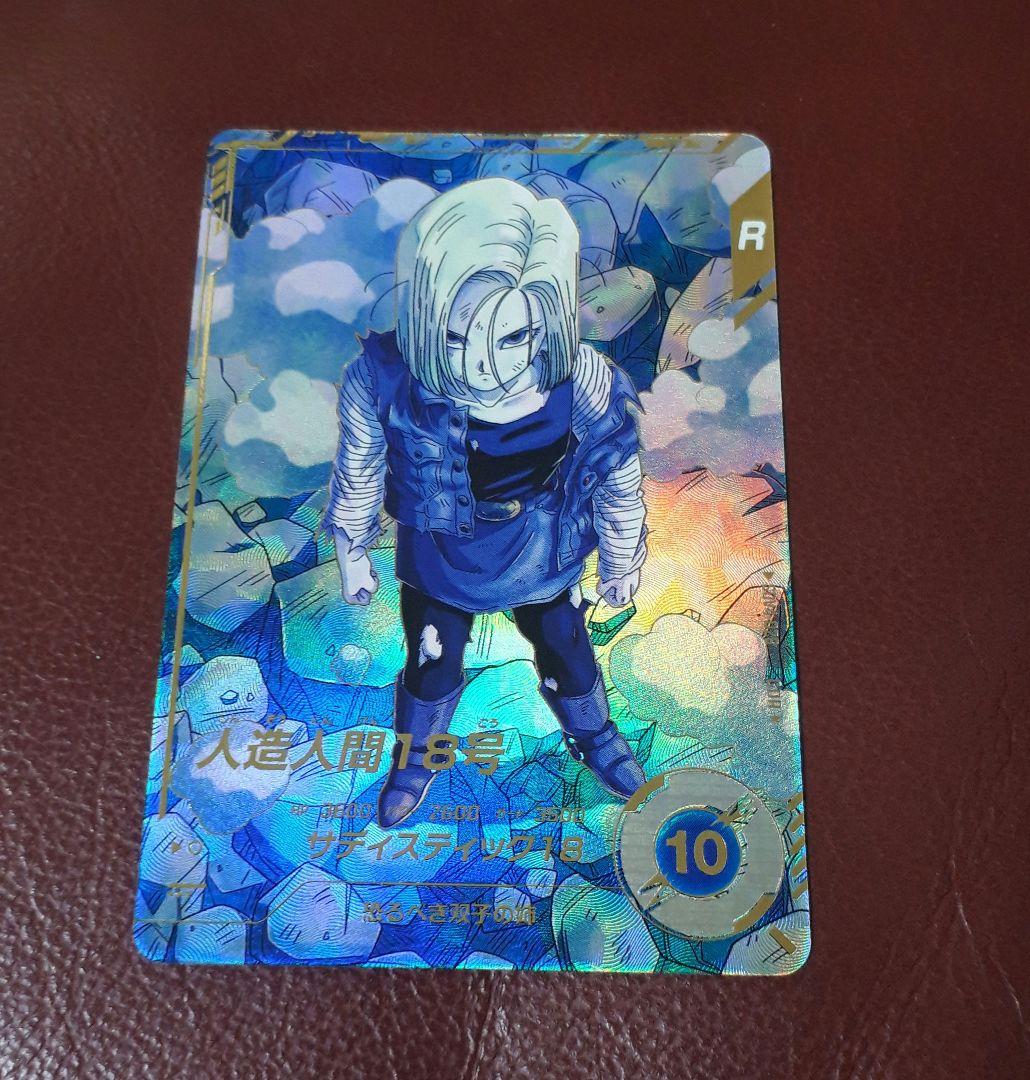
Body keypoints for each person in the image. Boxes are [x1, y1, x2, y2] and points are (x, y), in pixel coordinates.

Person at [323, 177, 648, 828]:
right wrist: (351, 548)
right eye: (455, 337)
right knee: (432, 658)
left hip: (542, 544)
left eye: (511, 338)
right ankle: (415, 761)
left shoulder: (583, 376)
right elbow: (358, 464)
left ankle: (596, 737)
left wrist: (622, 555)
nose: (482, 367)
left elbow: (618, 468)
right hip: (440, 550)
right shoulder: (381, 377)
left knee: (565, 644)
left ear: (546, 320)